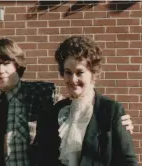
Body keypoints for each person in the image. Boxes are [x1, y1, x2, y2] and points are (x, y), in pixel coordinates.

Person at [0, 38, 134, 166]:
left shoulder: (41, 94)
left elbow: (126, 158)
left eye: (6, 63)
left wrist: (119, 123)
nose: (0, 70)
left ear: (17, 65)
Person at [41, 36, 137, 166]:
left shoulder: (111, 111)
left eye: (80, 72)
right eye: (68, 72)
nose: (73, 79)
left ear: (93, 73)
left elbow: (128, 161)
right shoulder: (57, 112)